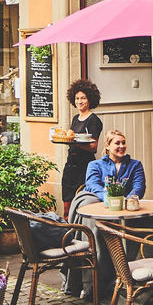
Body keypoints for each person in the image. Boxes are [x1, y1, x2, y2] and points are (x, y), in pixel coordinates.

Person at [61, 79, 103, 219]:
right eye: (77, 98)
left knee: (81, 203)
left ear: (90, 99)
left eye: (83, 98)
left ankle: (80, 232)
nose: (80, 101)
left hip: (84, 166)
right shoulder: (75, 118)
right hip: (70, 165)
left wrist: (74, 142)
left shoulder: (94, 120)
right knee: (66, 200)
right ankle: (67, 231)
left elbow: (93, 147)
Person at [85, 129, 145, 201]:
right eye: (117, 143)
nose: (122, 146)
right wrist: (109, 200)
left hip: (127, 205)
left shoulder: (135, 165)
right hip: (100, 203)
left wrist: (128, 201)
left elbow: (139, 187)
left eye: (123, 143)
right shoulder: (94, 165)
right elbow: (93, 185)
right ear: (108, 146)